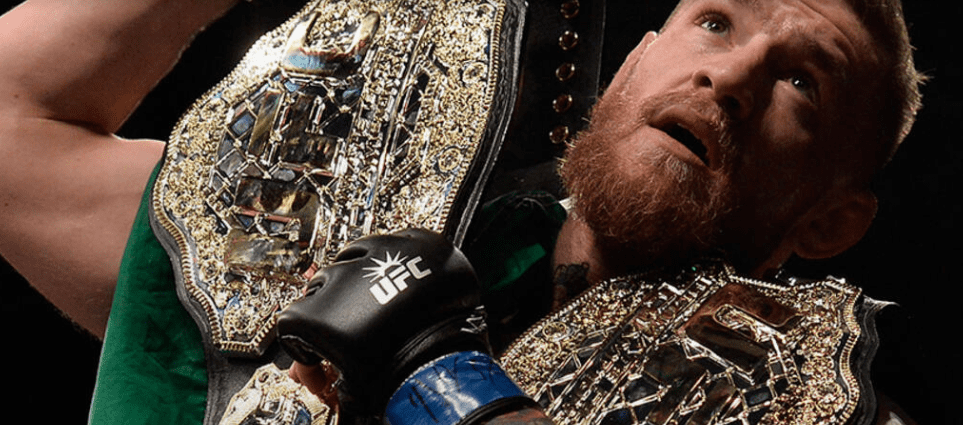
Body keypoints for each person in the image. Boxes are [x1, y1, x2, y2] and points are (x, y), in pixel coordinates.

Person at [0, 0, 926, 423]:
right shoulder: (324, 227)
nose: (729, 76)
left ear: (830, 222)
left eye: (803, 81)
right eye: (715, 23)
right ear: (632, 64)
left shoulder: (813, 403)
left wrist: (436, 379)